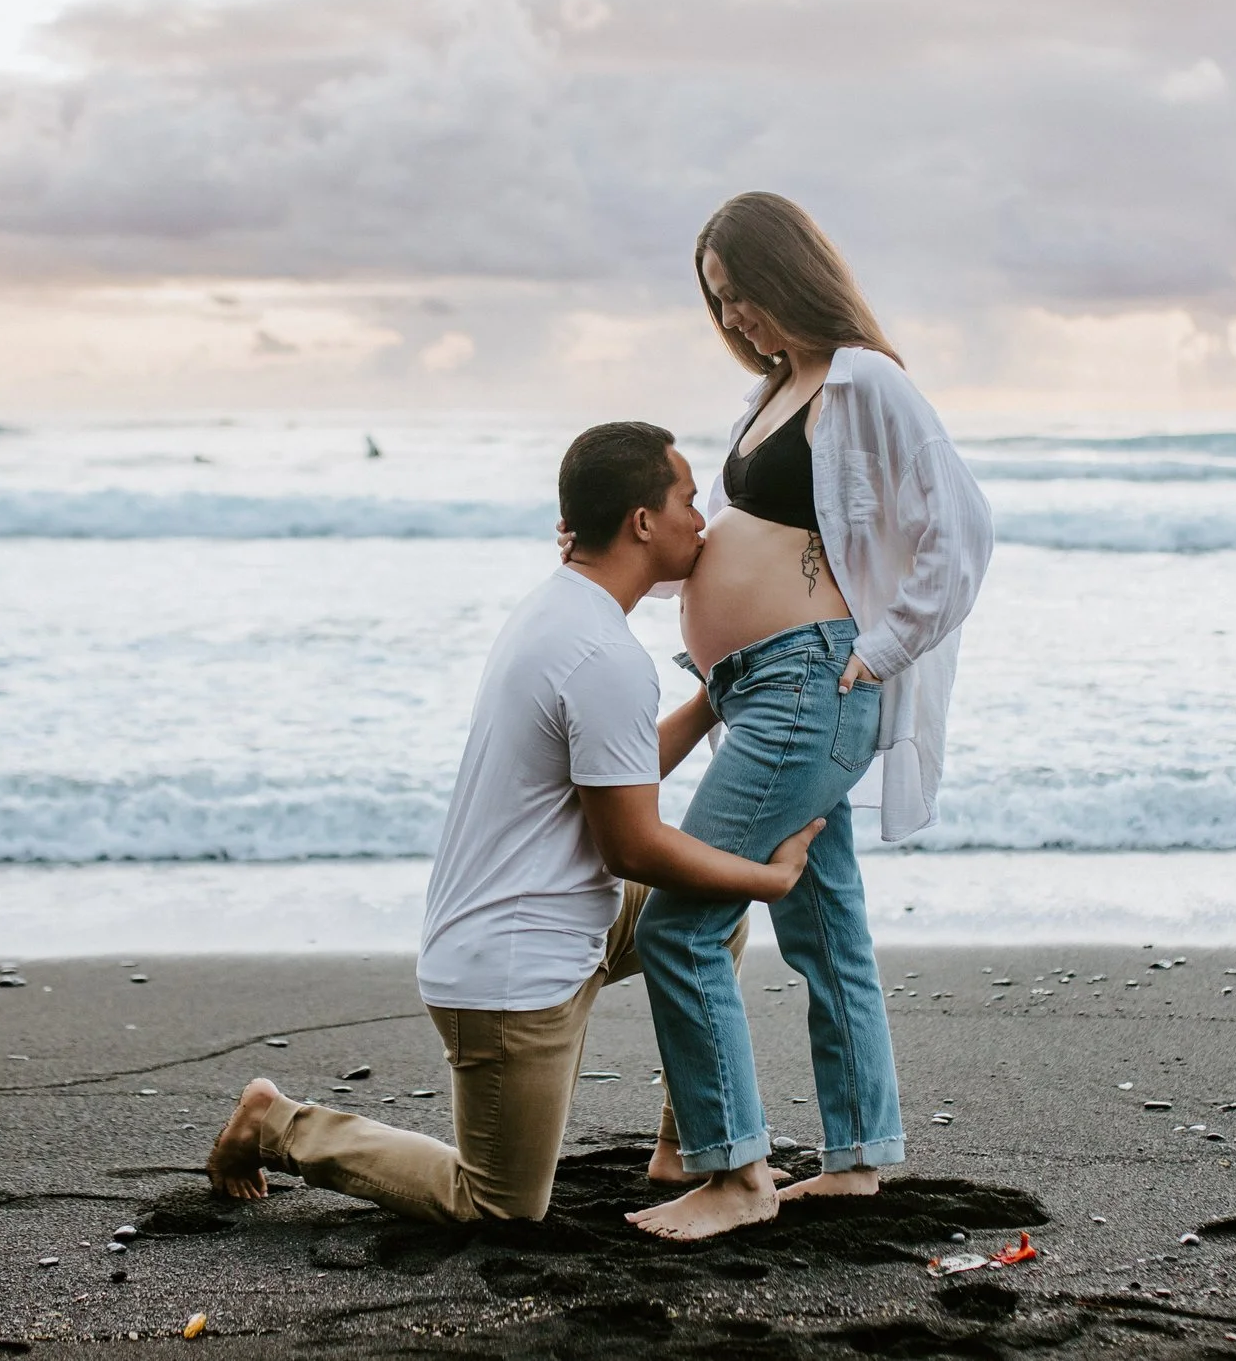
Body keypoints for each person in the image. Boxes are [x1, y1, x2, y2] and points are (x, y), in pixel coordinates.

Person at [207, 421, 825, 1223]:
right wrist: (770, 878)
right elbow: (631, 842)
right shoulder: (600, 654)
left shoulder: (565, 609)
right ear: (642, 521)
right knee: (500, 1203)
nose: (702, 518)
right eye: (685, 499)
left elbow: (616, 770)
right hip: (510, 970)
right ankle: (277, 1122)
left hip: (567, 915)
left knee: (708, 921)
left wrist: (711, 696)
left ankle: (692, 1144)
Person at [623, 192, 995, 1241]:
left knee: (678, 921)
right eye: (718, 302)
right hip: (763, 691)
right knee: (824, 930)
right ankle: (859, 1154)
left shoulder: (865, 379)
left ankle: (734, 1171)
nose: (734, 318)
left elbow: (959, 529)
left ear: (790, 274)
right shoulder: (780, 390)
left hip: (813, 686)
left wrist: (878, 651)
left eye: (742, 292)